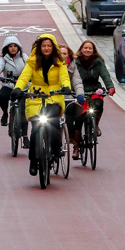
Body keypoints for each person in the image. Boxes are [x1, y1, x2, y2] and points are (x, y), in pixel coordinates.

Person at [13, 35, 78, 177]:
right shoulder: (32, 62)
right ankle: (32, 160)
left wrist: (66, 87)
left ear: (53, 47)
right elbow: (24, 77)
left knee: (54, 122)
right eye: (44, 46)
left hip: (54, 97)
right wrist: (18, 88)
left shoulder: (60, 62)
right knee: (36, 127)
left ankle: (56, 147)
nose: (46, 48)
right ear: (39, 48)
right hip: (36, 96)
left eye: (49, 45)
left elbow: (64, 77)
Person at [69, 38, 115, 155]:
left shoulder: (98, 61)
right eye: (85, 48)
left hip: (94, 89)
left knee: (98, 105)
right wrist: (70, 89)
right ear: (81, 49)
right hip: (79, 90)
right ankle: (76, 147)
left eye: (90, 48)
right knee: (79, 118)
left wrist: (110, 87)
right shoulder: (75, 61)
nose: (87, 50)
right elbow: (71, 77)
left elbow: (105, 75)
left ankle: (96, 124)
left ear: (93, 50)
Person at [0, 38, 26, 131]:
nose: (13, 48)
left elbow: (31, 66)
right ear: (7, 48)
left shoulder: (24, 57)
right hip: (8, 84)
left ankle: (25, 136)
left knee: (23, 110)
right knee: (3, 96)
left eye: (15, 46)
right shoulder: (4, 58)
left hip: (22, 86)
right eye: (10, 46)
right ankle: (5, 113)